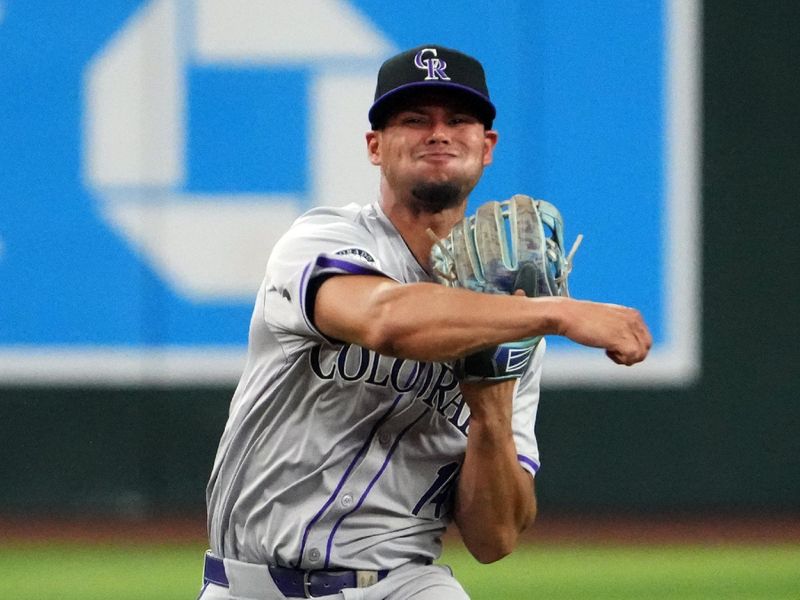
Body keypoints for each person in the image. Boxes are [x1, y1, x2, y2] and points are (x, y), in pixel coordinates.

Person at [199, 44, 651, 600]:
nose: (438, 133)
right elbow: (384, 320)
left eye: (458, 119)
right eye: (414, 120)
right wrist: (556, 312)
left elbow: (496, 537)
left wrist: (490, 404)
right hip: (251, 585)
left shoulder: (515, 323)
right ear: (375, 146)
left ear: (486, 148)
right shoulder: (321, 241)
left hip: (403, 584)